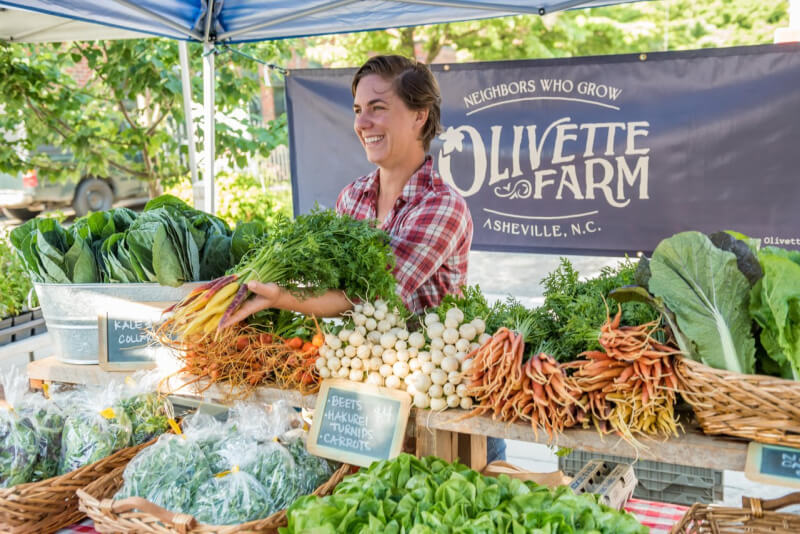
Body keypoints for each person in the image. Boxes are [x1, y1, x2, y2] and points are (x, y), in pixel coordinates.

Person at [222, 54, 505, 462]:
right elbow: (329, 288)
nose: (362, 123)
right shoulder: (351, 198)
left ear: (419, 116)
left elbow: (371, 296)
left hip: (436, 414)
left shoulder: (442, 206)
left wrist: (279, 295)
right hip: (369, 402)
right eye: (357, 110)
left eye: (378, 108)